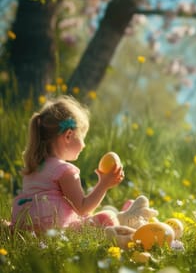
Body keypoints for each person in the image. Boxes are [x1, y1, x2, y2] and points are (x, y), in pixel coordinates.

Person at [11, 96, 124, 231]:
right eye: (82, 137)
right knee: (108, 216)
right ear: (68, 135)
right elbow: (82, 208)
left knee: (91, 216)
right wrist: (104, 184)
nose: (84, 145)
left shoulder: (34, 167)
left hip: (26, 229)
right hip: (55, 232)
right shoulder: (64, 171)